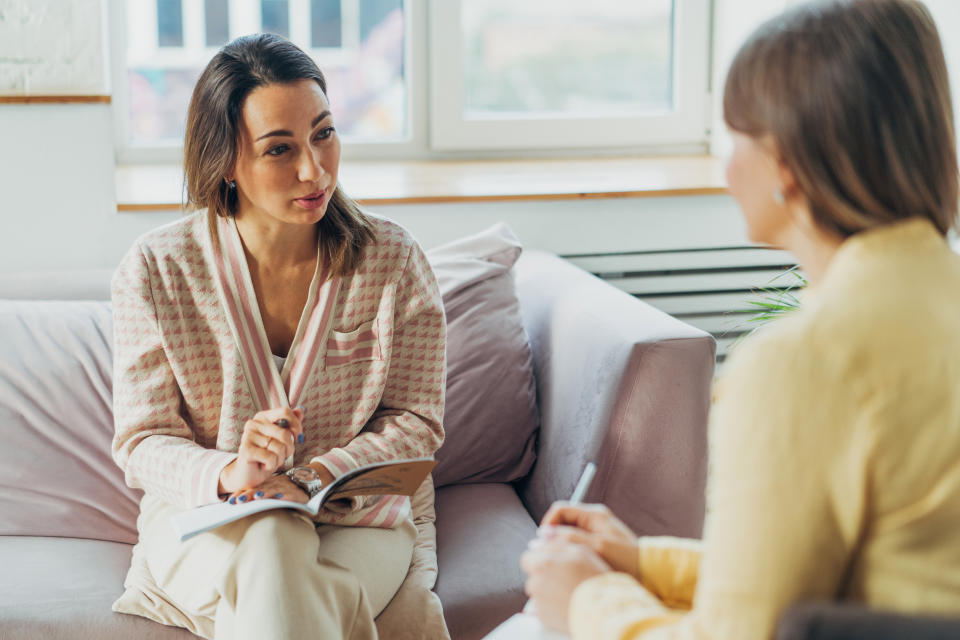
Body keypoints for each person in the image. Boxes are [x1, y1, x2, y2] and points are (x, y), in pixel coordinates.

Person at [520, 1, 960, 638]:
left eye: (735, 139)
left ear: (785, 163)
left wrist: (587, 600)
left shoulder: (807, 360)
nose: (726, 169)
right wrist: (639, 560)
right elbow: (843, 589)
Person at [109, 33, 447, 640]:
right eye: (279, 149)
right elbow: (142, 441)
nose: (314, 169)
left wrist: (311, 477)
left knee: (278, 571)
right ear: (226, 162)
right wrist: (233, 472)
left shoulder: (392, 261)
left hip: (357, 519)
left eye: (323, 133)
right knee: (271, 538)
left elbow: (416, 421)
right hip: (207, 519)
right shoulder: (156, 271)